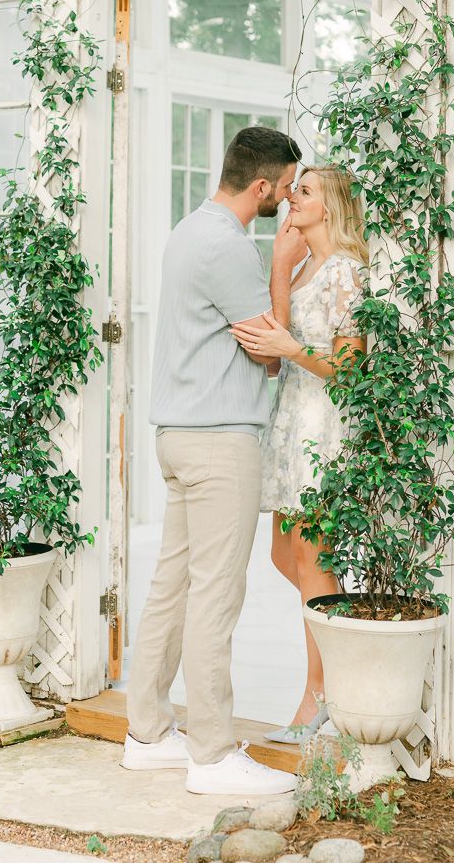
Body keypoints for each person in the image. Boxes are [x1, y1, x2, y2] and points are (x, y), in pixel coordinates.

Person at [122, 126, 302, 796]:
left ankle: (146, 734)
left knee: (173, 586)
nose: (285, 203)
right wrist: (281, 264)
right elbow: (269, 351)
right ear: (261, 186)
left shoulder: (189, 228)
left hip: (179, 434)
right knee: (215, 597)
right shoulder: (229, 247)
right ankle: (213, 754)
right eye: (283, 190)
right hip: (220, 441)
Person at [229, 166, 367, 744]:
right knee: (288, 559)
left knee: (313, 563)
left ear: (330, 208)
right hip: (291, 419)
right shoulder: (308, 264)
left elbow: (350, 369)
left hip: (323, 425)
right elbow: (279, 332)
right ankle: (346, 646)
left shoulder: (346, 273)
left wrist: (291, 348)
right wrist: (281, 268)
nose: (291, 196)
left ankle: (319, 699)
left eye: (304, 191)